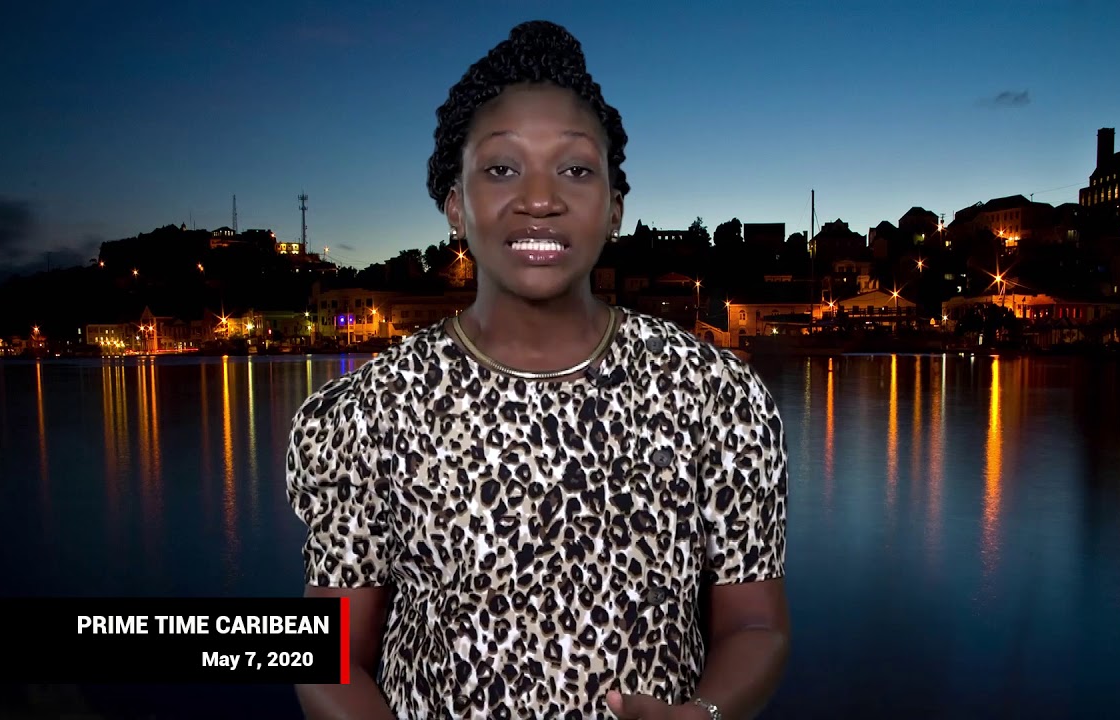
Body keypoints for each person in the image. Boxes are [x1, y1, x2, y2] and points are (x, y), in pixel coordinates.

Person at [287, 19, 790, 720]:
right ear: (455, 206)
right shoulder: (370, 410)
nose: (539, 198)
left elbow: (756, 625)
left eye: (576, 169)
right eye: (501, 168)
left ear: (614, 208)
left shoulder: (716, 396)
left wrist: (701, 715)